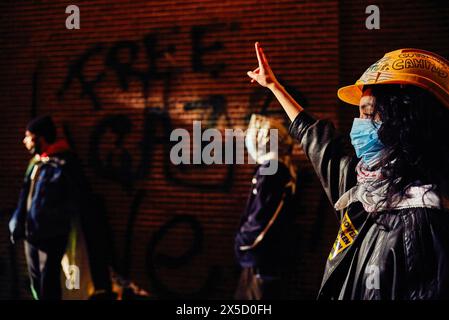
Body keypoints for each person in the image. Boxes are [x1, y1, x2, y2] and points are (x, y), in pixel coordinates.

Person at [247, 42, 449, 299]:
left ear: (405, 121)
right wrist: (275, 87)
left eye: (369, 114)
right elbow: (320, 143)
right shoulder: (366, 191)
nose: (360, 127)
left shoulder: (426, 222)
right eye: (359, 114)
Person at [9, 115, 85, 300]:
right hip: (31, 235)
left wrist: (53, 222)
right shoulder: (36, 163)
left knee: (48, 284)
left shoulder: (63, 164)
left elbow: (74, 199)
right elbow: (24, 197)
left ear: (40, 138)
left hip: (51, 236)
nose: (25, 141)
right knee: (36, 283)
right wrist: (17, 225)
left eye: (28, 136)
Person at [234, 113, 297, 300]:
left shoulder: (272, 170)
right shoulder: (278, 168)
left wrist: (242, 243)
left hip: (262, 259)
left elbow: (262, 217)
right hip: (267, 257)